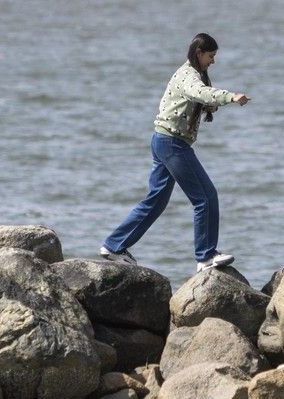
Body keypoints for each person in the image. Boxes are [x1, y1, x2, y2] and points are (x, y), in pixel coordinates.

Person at [101, 33, 251, 272]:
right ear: (199, 53)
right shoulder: (188, 75)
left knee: (156, 202)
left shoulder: (192, 74)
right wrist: (230, 97)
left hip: (162, 140)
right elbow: (199, 92)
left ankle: (114, 246)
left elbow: (192, 99)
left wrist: (207, 107)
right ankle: (205, 256)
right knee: (205, 196)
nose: (213, 61)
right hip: (172, 144)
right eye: (211, 56)